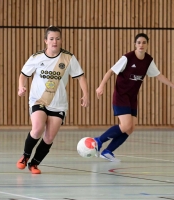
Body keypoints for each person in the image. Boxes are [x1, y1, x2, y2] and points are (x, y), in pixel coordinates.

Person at [16, 26, 89, 174]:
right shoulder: (36, 57)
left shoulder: (68, 58)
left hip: (59, 104)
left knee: (49, 137)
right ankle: (25, 156)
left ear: (61, 40)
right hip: (39, 100)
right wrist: (21, 87)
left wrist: (86, 94)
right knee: (37, 129)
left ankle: (34, 164)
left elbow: (81, 77)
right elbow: (23, 74)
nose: (54, 41)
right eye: (51, 39)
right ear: (45, 41)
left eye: (57, 38)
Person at [94, 33, 174, 162]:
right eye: (139, 42)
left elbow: (158, 75)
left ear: (147, 44)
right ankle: (98, 141)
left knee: (131, 128)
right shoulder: (127, 58)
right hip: (121, 95)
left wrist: (172, 85)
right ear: (135, 44)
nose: (141, 45)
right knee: (125, 125)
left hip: (132, 97)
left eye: (144, 42)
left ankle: (108, 151)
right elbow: (111, 71)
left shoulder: (148, 60)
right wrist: (101, 86)